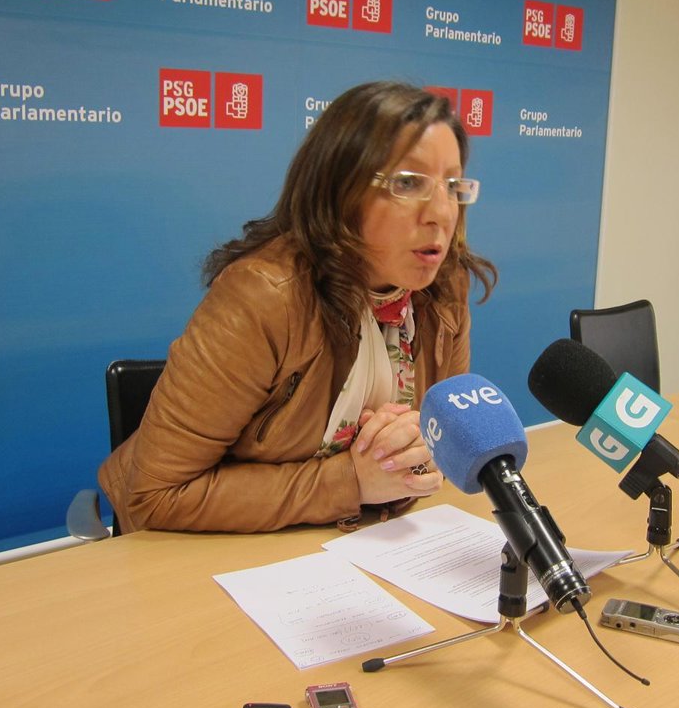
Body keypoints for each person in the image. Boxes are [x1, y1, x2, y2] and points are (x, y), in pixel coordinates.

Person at [98, 81, 496, 533]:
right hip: (199, 549)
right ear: (340, 190)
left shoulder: (443, 287)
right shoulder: (264, 296)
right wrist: (351, 481)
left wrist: (415, 454)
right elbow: (153, 495)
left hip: (350, 541)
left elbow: (440, 435)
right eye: (407, 183)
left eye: (452, 186)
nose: (441, 212)